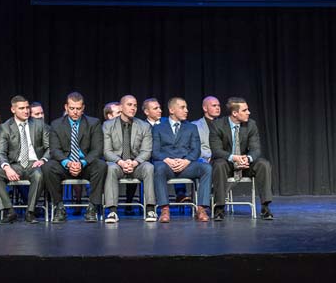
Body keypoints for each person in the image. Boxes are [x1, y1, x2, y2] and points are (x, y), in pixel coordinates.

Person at [42, 92, 106, 223]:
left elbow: (97, 150)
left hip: (85, 165)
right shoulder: (56, 124)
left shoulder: (93, 123)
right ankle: (59, 207)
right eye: (72, 108)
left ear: (83, 108)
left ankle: (92, 207)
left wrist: (81, 163)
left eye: (78, 108)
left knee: (101, 165)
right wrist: (68, 163)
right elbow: (54, 150)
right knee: (48, 167)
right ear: (66, 107)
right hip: (65, 165)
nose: (75, 112)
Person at [209, 97, 274, 220]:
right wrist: (234, 158)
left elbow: (256, 149)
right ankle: (219, 208)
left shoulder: (251, 125)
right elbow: (216, 150)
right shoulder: (217, 125)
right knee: (218, 164)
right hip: (226, 162)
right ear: (234, 113)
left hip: (245, 164)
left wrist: (247, 159)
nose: (248, 112)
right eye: (245, 110)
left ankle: (265, 207)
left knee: (263, 164)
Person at [152, 97, 211, 222]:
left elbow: (196, 150)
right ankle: (165, 210)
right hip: (167, 165)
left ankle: (201, 209)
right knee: (158, 168)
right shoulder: (158, 128)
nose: (186, 110)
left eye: (186, 107)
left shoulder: (191, 128)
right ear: (172, 110)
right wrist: (167, 159)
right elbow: (155, 151)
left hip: (186, 165)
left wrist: (187, 161)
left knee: (206, 168)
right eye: (182, 107)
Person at [0, 95, 50, 224]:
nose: (26, 111)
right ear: (13, 110)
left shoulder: (39, 124)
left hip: (34, 163)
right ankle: (9, 211)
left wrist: (44, 160)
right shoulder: (5, 127)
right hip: (15, 164)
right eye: (22, 108)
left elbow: (50, 147)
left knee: (39, 175)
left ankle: (31, 212)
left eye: (27, 107)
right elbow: (0, 152)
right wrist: (7, 168)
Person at [102, 95, 157, 223]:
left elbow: (146, 151)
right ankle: (112, 211)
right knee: (110, 168)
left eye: (135, 105)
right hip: (117, 163)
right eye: (129, 105)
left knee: (149, 167)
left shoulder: (144, 126)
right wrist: (120, 162)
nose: (133, 108)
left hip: (136, 164)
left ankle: (150, 209)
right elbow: (106, 151)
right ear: (121, 107)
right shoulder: (108, 125)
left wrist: (135, 162)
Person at [192, 96, 221, 162]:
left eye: (218, 105)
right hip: (204, 159)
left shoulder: (224, 124)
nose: (217, 108)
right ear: (205, 108)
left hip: (221, 159)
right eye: (214, 105)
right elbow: (194, 147)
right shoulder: (195, 125)